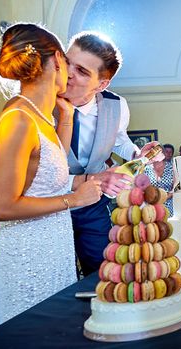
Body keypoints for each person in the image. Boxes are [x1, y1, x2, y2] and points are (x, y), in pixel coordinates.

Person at [0, 23, 102, 335]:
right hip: (23, 260)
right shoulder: (18, 119)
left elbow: (51, 173)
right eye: (68, 65)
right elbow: (0, 205)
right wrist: (74, 200)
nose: (72, 74)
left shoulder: (39, 117)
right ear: (57, 60)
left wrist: (68, 119)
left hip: (51, 252)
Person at [57, 31, 155, 276]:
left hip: (93, 205)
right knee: (58, 278)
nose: (69, 74)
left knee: (101, 274)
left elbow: (118, 140)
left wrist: (136, 152)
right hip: (51, 206)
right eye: (68, 62)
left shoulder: (116, 105)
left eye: (82, 71)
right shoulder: (42, 102)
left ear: (102, 84)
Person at [145, 143, 175, 216]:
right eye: (153, 152)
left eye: (159, 151)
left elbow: (178, 185)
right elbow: (143, 188)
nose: (156, 154)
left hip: (168, 207)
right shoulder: (147, 169)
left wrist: (169, 195)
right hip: (151, 208)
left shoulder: (171, 167)